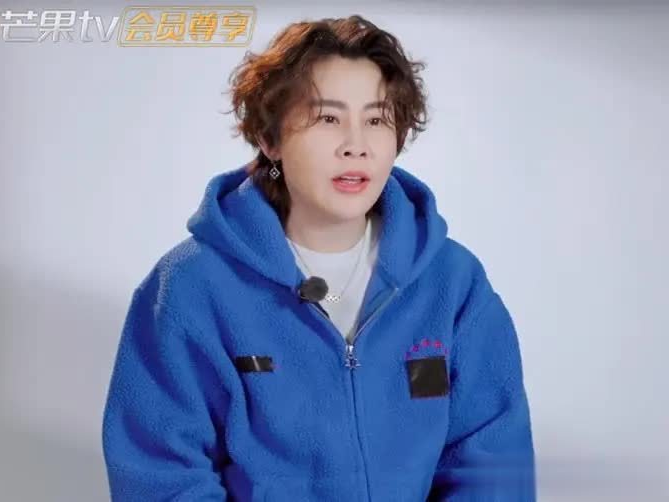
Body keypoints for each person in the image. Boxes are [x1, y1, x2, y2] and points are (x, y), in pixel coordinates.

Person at [102, 14, 536, 502]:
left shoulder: (453, 283)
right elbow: (161, 475)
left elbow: (493, 466)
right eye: (328, 119)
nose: (356, 146)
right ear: (270, 139)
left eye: (376, 120)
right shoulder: (189, 287)